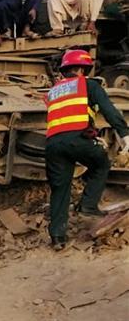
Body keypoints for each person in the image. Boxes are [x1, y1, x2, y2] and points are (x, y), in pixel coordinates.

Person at [44, 49, 129, 250]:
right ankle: (88, 205)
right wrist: (125, 134)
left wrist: (93, 135)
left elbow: (66, 117)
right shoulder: (88, 85)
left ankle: (57, 237)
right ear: (83, 69)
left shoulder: (53, 91)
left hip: (53, 144)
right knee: (101, 163)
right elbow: (109, 110)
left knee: (60, 188)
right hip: (77, 140)